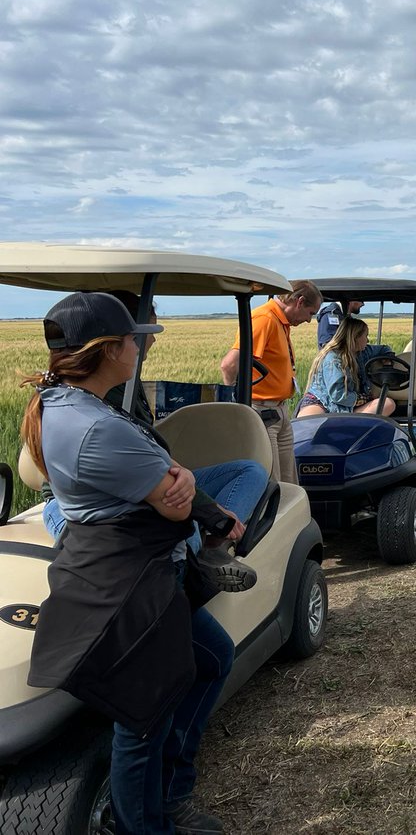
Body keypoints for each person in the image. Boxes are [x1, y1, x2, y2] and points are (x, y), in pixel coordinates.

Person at [21, 292, 246, 835]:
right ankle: (144, 823)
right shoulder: (99, 427)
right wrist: (182, 484)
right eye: (133, 339)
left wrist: (179, 482)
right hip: (128, 585)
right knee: (143, 718)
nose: (140, 347)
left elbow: (173, 481)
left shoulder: (66, 404)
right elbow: (175, 492)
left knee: (211, 657)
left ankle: (169, 795)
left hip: (127, 568)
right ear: (110, 350)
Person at [41, 291, 269, 565]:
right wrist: (209, 509)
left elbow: (141, 448)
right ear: (111, 349)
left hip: (125, 487)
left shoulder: (62, 400)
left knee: (248, 471)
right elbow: (175, 506)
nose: (144, 343)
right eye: (132, 337)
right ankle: (206, 553)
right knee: (188, 534)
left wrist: (183, 475)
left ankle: (213, 548)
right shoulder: (100, 416)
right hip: (109, 514)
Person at [219, 280, 322, 484]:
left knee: (288, 483)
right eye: (311, 313)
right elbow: (229, 365)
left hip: (279, 411)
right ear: (299, 302)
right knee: (272, 482)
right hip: (263, 411)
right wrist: (237, 406)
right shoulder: (265, 319)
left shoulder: (280, 321)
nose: (310, 321)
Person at [297, 316, 396, 417]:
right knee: (308, 423)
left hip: (347, 407)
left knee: (388, 404)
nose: (368, 340)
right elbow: (337, 395)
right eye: (366, 336)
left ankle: (348, 425)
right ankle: (350, 424)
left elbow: (384, 348)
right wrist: (364, 398)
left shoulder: (363, 351)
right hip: (323, 402)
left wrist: (388, 358)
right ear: (355, 337)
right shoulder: (333, 359)